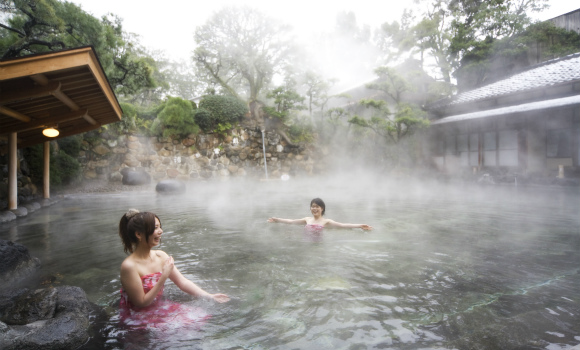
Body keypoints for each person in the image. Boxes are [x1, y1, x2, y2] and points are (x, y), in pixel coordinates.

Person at [118, 209, 229, 328]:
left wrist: (209, 296)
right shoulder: (129, 266)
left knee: (198, 317)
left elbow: (182, 282)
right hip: (137, 315)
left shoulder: (161, 256)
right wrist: (164, 276)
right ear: (139, 234)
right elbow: (141, 303)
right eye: (155, 228)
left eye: (160, 227)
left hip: (158, 306)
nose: (160, 231)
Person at [267, 198, 373, 231]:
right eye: (313, 206)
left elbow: (343, 225)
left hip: (318, 245)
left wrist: (359, 225)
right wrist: (277, 219)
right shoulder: (307, 219)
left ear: (322, 209)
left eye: (317, 206)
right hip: (305, 242)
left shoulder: (326, 222)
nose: (314, 208)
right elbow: (291, 222)